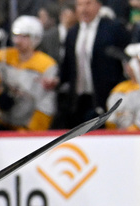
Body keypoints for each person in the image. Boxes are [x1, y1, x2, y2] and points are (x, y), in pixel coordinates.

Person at [57, 0, 129, 128]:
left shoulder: (113, 29)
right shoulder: (73, 32)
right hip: (78, 99)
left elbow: (124, 61)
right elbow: (67, 65)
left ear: (99, 6)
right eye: (80, 5)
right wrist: (57, 80)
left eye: (88, 3)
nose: (84, 9)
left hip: (105, 97)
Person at [0, 15, 59, 131]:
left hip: (26, 127)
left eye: (24, 36)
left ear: (36, 38)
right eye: (16, 35)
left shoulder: (46, 64)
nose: (17, 41)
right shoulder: (2, 56)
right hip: (0, 122)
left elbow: (46, 104)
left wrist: (30, 131)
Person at [105, 43, 140, 130]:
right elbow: (112, 116)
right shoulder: (119, 89)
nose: (132, 65)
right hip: (119, 136)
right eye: (128, 61)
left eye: (139, 61)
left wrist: (136, 127)